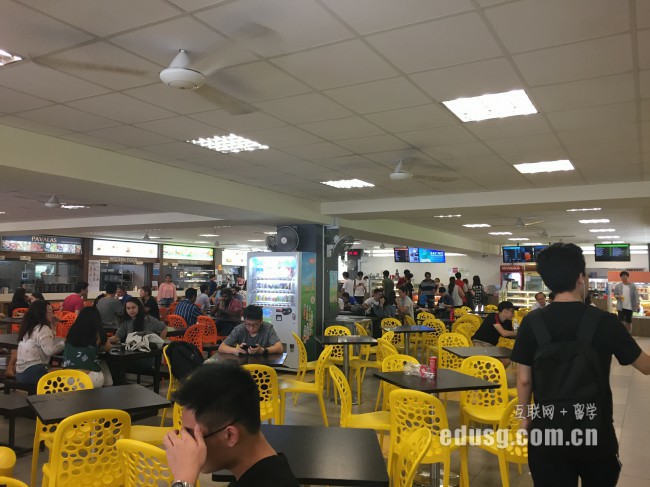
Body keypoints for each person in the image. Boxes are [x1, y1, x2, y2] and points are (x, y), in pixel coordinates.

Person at [511, 243, 650, 486]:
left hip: (547, 431)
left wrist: (524, 418)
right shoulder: (605, 321)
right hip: (595, 431)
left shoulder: (531, 322)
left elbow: (523, 380)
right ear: (580, 278)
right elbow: (645, 366)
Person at [163, 364, 299, 487]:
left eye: (192, 435)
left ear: (230, 435)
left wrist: (183, 480)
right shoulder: (269, 470)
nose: (185, 443)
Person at [16, 300, 64, 385]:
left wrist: (53, 326)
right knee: (65, 374)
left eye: (52, 311)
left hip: (20, 374)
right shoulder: (43, 328)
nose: (52, 314)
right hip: (34, 373)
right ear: (41, 313)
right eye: (49, 311)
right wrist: (64, 343)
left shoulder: (28, 327)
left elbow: (46, 342)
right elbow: (49, 351)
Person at [62, 306, 112, 388]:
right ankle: (109, 388)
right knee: (102, 363)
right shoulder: (98, 332)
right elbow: (108, 348)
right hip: (89, 380)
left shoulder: (71, 331)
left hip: (67, 379)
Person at [218, 305, 283, 356]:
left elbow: (280, 347)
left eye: (255, 325)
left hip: (264, 363)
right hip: (243, 363)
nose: (251, 328)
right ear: (244, 321)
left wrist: (262, 350)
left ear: (261, 321)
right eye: (248, 324)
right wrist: (235, 350)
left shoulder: (268, 328)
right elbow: (221, 347)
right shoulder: (239, 329)